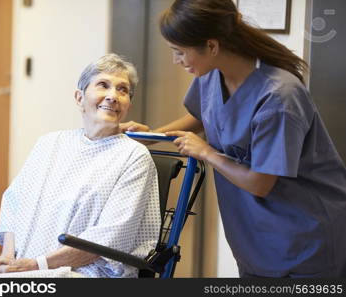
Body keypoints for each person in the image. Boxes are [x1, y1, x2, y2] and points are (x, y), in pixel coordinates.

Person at [121, 0, 346, 278]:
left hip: (304, 241)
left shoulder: (279, 96)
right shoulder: (210, 74)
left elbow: (260, 183)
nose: (175, 61)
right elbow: (206, 115)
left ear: (212, 46)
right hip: (254, 239)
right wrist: (151, 136)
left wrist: (207, 153)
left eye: (179, 52)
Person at [0, 53, 161, 278]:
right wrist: (8, 257)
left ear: (128, 104)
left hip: (83, 272)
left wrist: (36, 265)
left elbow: (110, 236)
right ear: (79, 97)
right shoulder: (50, 143)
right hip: (25, 264)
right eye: (103, 85)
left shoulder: (134, 157)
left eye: (122, 90)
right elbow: (15, 203)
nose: (113, 96)